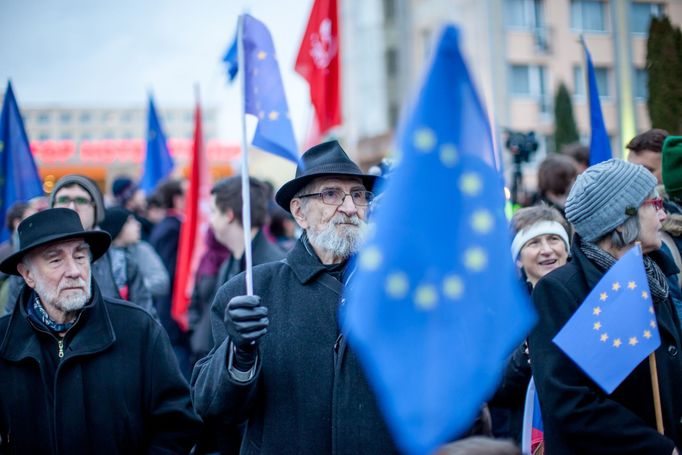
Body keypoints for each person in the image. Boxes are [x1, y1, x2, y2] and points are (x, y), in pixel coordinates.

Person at [191, 140, 400, 453]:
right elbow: (213, 407)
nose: (349, 207)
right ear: (299, 212)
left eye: (358, 195)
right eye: (331, 194)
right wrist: (239, 354)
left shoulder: (395, 288)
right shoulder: (251, 290)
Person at [0, 208, 200, 453]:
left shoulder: (137, 328)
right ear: (27, 274)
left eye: (80, 256)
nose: (74, 270)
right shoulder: (4, 341)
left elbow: (177, 422)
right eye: (55, 260)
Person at [529, 159, 682, 454]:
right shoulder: (558, 290)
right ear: (622, 218)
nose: (663, 215)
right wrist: (656, 448)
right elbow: (567, 401)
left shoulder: (653, 275)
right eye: (654, 204)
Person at [4, 175, 154, 317]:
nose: (71, 206)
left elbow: (147, 325)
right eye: (63, 199)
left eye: (81, 200)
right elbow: (12, 326)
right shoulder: (30, 263)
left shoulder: (122, 263)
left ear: (96, 209)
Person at [491, 205, 571, 443]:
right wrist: (529, 348)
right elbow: (495, 388)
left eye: (554, 239)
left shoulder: (590, 299)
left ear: (567, 248)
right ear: (517, 260)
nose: (547, 250)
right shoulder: (503, 314)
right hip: (528, 434)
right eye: (534, 243)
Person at [100, 207, 169, 300]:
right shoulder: (101, 254)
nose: (138, 225)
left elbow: (162, 282)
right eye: (130, 222)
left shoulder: (141, 249)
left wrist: (130, 289)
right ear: (118, 226)